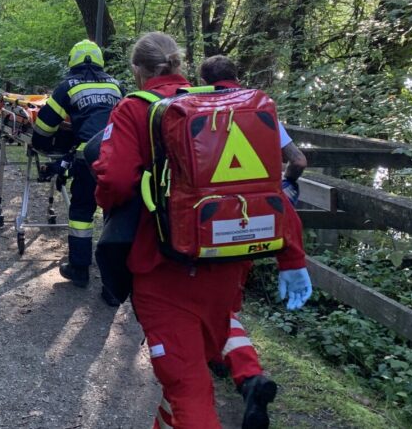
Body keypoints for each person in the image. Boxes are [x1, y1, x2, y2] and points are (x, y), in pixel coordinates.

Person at [93, 32, 312, 429]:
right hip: (226, 269)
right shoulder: (223, 106)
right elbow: (265, 189)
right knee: (186, 377)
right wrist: (291, 257)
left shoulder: (134, 109)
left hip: (164, 271)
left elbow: (117, 179)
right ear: (181, 65)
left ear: (138, 71)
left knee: (188, 388)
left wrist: (110, 201)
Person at [197, 54, 310, 426]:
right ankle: (243, 375)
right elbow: (299, 161)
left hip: (209, 221)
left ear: (204, 79)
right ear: (237, 77)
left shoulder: (194, 107)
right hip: (255, 223)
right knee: (227, 301)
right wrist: (285, 187)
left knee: (211, 304)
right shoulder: (257, 110)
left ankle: (241, 374)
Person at [31, 40, 123, 304]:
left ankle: (80, 270)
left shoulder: (68, 87)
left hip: (87, 159)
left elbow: (44, 126)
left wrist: (44, 147)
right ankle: (112, 285)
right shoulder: (117, 86)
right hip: (118, 158)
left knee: (82, 212)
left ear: (72, 60)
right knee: (114, 215)